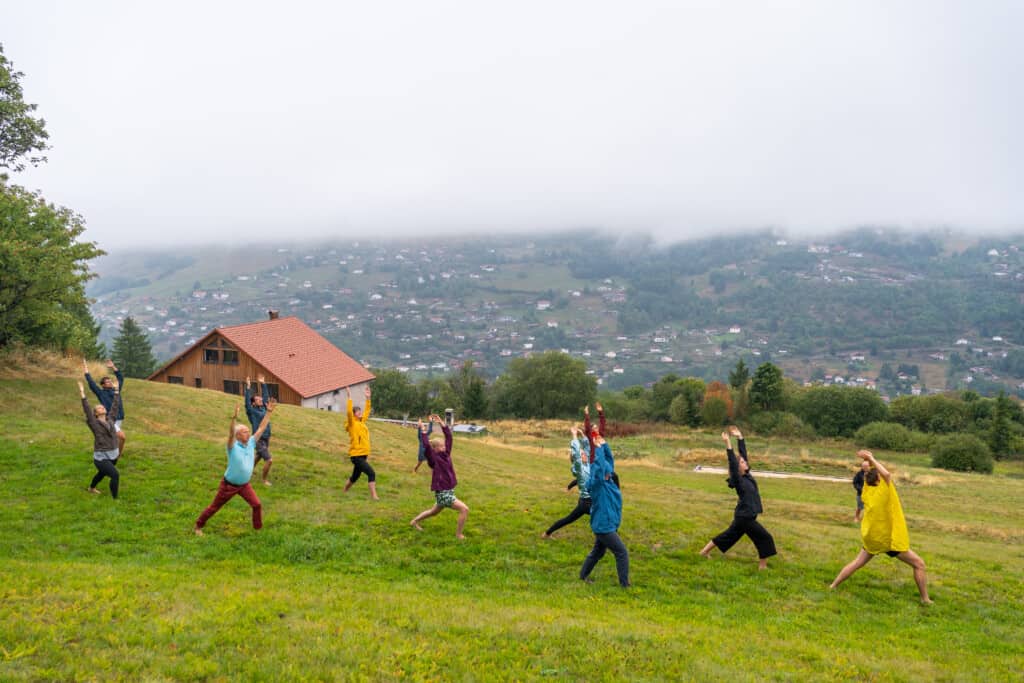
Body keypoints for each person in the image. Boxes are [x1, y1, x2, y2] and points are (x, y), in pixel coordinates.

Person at [829, 450, 932, 604]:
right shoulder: (885, 489)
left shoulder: (866, 490)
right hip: (888, 539)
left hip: (873, 538)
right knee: (919, 564)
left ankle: (833, 586)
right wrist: (871, 458)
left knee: (857, 563)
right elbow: (887, 475)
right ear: (879, 480)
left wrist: (868, 464)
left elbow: (869, 475)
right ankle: (925, 599)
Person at [700, 426, 777, 570]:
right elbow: (732, 461)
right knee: (765, 537)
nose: (745, 463)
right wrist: (728, 444)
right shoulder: (738, 480)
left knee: (729, 535)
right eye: (742, 463)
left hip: (745, 515)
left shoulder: (747, 475)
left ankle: (704, 552)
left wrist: (740, 437)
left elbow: (743, 455)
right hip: (745, 517)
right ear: (737, 468)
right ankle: (762, 566)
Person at [194, 399, 275, 535]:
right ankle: (198, 526)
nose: (248, 434)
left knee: (256, 505)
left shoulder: (251, 443)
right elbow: (230, 434)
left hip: (244, 485)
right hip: (229, 486)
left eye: (248, 431)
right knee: (215, 507)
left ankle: (258, 529)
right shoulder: (232, 447)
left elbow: (261, 428)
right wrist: (233, 420)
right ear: (238, 435)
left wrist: (268, 413)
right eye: (244, 432)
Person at [579, 428, 630, 587]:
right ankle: (625, 585)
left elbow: (609, 462)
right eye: (607, 473)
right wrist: (598, 449)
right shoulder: (598, 484)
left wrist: (603, 443)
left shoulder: (609, 482)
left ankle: (583, 576)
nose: (610, 473)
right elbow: (600, 467)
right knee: (621, 553)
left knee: (598, 552)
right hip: (603, 526)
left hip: (609, 523)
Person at [410, 414, 469, 539]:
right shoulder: (433, 459)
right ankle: (459, 534)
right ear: (435, 449)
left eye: (444, 445)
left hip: (449, 491)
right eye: (441, 446)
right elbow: (426, 445)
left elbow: (449, 438)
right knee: (464, 509)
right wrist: (423, 430)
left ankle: (414, 521)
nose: (444, 447)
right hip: (442, 492)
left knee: (433, 512)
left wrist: (442, 423)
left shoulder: (446, 454)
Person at [542, 426, 591, 539]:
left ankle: (547, 533)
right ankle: (547, 533)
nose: (585, 455)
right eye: (583, 455)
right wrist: (574, 435)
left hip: (588, 500)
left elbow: (587, 448)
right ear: (577, 458)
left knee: (570, 519)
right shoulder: (579, 468)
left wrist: (582, 434)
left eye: (584, 454)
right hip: (587, 503)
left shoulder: (587, 464)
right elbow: (577, 453)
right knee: (604, 517)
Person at [77, 380, 121, 499]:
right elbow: (86, 410)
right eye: (99, 408)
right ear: (96, 413)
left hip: (113, 454)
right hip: (101, 456)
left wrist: (116, 391)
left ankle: (91, 488)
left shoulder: (111, 419)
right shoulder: (94, 423)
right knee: (115, 475)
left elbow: (115, 406)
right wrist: (82, 394)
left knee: (102, 473)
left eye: (102, 407)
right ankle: (115, 500)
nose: (102, 408)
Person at [83, 358, 126, 457]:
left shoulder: (116, 389)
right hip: (110, 419)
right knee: (122, 437)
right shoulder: (101, 393)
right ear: (103, 385)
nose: (110, 382)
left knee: (114, 438)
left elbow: (120, 378)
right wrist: (86, 370)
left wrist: (113, 367)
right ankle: (117, 455)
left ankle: (110, 452)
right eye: (107, 382)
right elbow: (91, 383)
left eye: (110, 381)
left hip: (119, 418)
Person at [342, 385, 378, 499]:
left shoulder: (362, 422)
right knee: (371, 473)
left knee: (355, 477)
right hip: (356, 455)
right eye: (357, 412)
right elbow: (348, 412)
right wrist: (349, 397)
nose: (360, 412)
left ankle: (343, 492)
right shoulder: (352, 424)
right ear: (354, 414)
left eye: (359, 411)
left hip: (363, 454)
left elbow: (367, 410)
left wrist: (368, 398)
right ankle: (374, 496)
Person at [244, 375, 274, 486]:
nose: (261, 400)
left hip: (266, 437)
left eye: (260, 398)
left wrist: (263, 383)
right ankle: (264, 480)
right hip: (258, 439)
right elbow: (247, 403)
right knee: (269, 460)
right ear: (253, 403)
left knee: (258, 456)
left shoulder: (263, 408)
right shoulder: (251, 411)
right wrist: (248, 387)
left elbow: (266, 398)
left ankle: (247, 472)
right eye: (257, 399)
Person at [852, 458, 870, 523]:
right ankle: (856, 517)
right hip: (860, 494)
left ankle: (867, 519)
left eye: (866, 466)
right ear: (862, 467)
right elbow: (855, 483)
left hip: (870, 494)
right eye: (864, 466)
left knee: (869, 508)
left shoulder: (872, 474)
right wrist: (860, 489)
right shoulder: (859, 474)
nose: (865, 467)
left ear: (869, 466)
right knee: (859, 507)